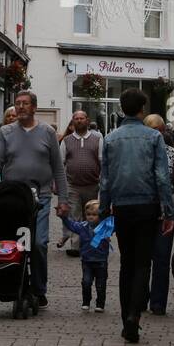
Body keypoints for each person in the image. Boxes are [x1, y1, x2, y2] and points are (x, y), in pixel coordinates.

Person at [98, 89, 174, 344]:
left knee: (127, 264)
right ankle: (134, 316)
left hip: (121, 206)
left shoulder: (110, 139)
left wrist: (103, 207)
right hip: (147, 205)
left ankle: (125, 318)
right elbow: (162, 177)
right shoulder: (154, 137)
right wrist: (169, 210)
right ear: (142, 109)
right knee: (143, 263)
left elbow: (105, 179)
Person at [0, 90, 69, 306]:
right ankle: (16, 283)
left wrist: (63, 200)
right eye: (17, 103)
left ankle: (39, 288)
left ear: (34, 107)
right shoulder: (5, 132)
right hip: (12, 199)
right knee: (15, 243)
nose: (21, 107)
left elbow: (58, 169)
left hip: (39, 198)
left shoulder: (47, 133)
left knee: (38, 243)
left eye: (25, 103)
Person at [145, 114, 174, 317]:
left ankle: (158, 302)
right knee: (143, 259)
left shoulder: (173, 153)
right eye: (154, 131)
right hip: (143, 211)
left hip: (166, 214)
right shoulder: (140, 153)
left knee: (161, 260)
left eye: (160, 131)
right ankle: (141, 298)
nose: (158, 135)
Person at [59, 110, 102, 257]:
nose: (79, 120)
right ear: (73, 121)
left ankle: (90, 243)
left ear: (87, 120)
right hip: (73, 185)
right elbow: (60, 163)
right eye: (76, 118)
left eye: (81, 118)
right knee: (74, 215)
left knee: (90, 215)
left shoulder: (97, 139)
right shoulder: (66, 141)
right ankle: (76, 246)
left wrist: (103, 179)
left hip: (92, 184)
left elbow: (102, 160)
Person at [58, 199, 110, 312]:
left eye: (94, 214)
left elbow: (116, 223)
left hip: (101, 260)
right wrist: (64, 217)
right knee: (86, 282)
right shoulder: (82, 226)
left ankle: (100, 304)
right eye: (88, 214)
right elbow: (71, 225)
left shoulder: (105, 227)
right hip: (87, 261)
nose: (91, 217)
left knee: (101, 285)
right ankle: (86, 302)